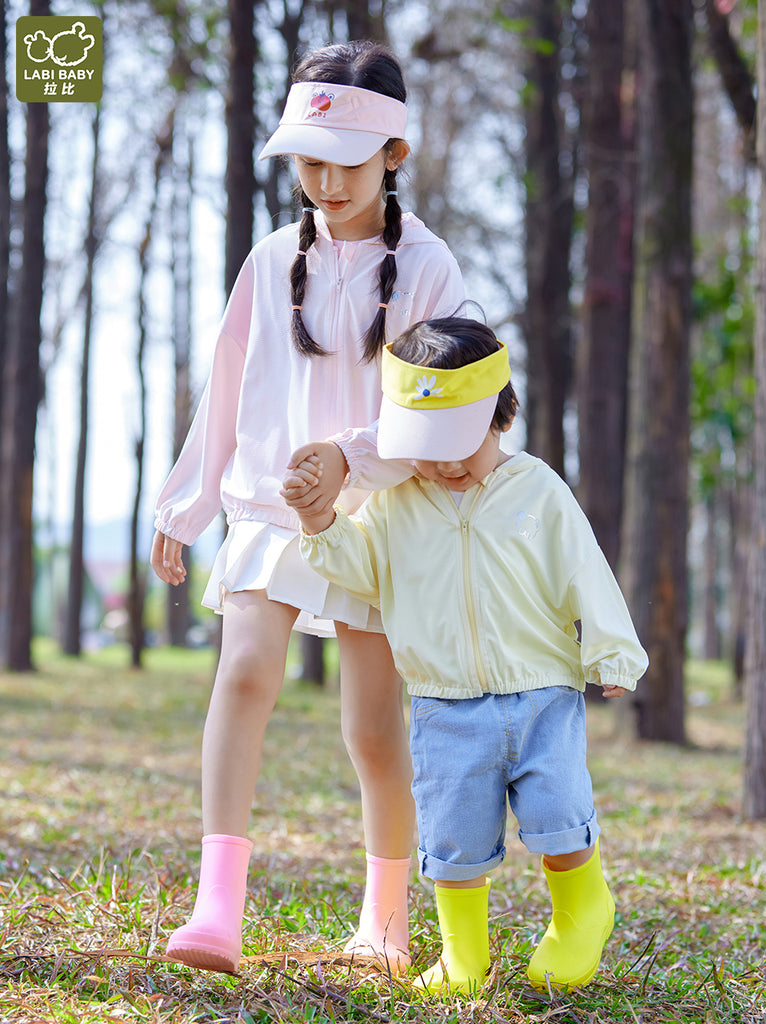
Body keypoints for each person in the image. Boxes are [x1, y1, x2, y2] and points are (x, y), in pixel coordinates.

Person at [150, 41, 464, 975]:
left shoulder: (431, 268)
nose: (325, 180)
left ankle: (386, 921)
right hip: (270, 513)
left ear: (395, 156)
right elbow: (226, 385)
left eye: (347, 161)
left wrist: (349, 460)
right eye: (309, 160)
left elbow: (447, 400)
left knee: (372, 726)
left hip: (377, 520)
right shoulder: (268, 259)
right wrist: (188, 502)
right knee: (243, 675)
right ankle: (216, 909)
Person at [282, 316, 649, 994]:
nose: (446, 464)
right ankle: (462, 957)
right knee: (451, 842)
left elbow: (584, 570)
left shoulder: (537, 489)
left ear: (501, 415)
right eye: (427, 447)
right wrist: (319, 522)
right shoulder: (397, 503)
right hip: (444, 705)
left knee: (558, 815)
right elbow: (360, 567)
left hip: (541, 692)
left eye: (459, 444)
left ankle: (582, 910)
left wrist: (611, 652)